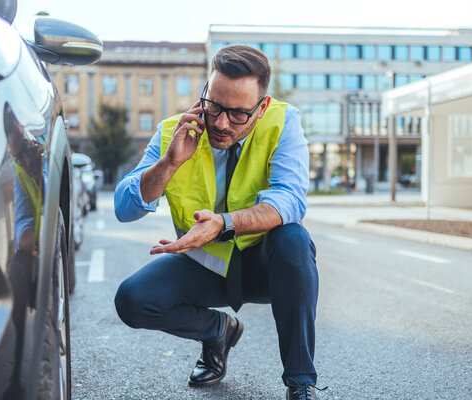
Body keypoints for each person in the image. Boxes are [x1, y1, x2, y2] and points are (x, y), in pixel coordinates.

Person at [114, 45, 322, 399]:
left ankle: (301, 383)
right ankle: (218, 331)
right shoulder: (172, 133)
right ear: (205, 93)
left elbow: (289, 199)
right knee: (132, 300)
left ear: (262, 107)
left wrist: (224, 223)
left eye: (238, 113)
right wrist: (168, 163)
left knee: (293, 240)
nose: (221, 123)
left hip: (263, 267)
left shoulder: (283, 122)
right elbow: (124, 207)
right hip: (204, 266)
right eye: (214, 106)